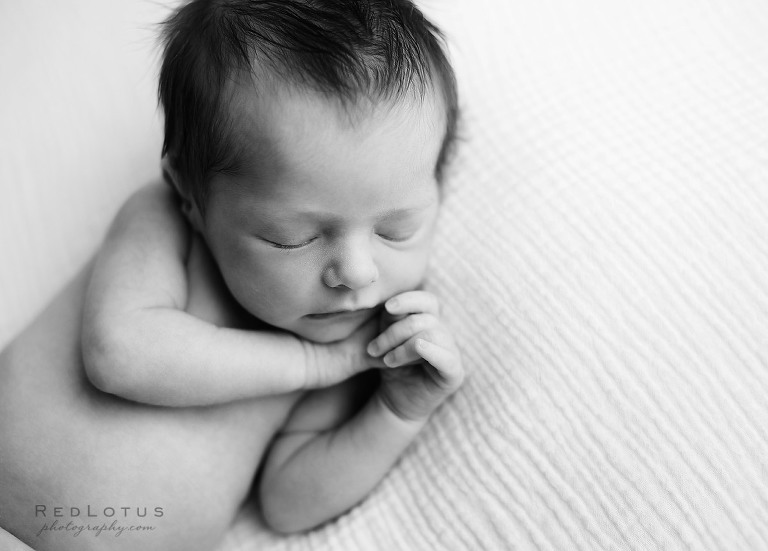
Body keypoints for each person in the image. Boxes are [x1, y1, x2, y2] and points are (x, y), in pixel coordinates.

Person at [0, 1, 463, 549]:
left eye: (397, 230)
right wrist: (313, 364)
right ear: (192, 198)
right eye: (293, 238)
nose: (357, 274)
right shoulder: (162, 221)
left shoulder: (357, 342)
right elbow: (119, 354)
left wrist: (396, 413)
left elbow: (288, 503)